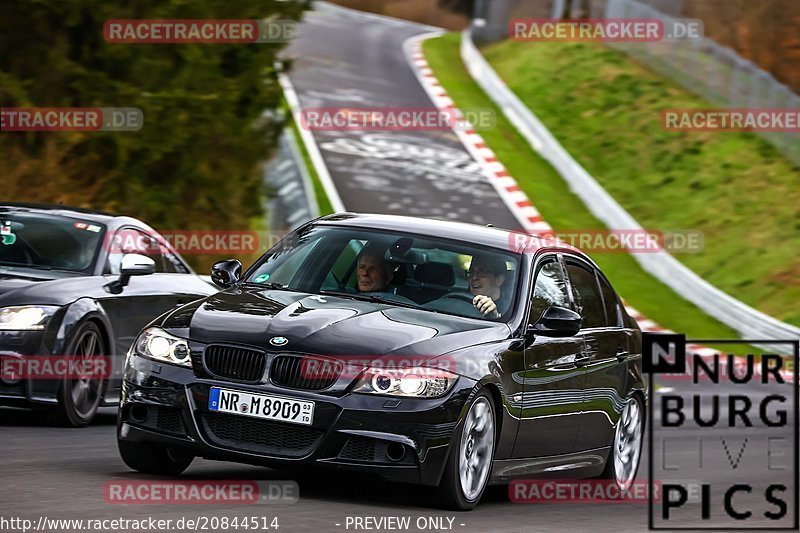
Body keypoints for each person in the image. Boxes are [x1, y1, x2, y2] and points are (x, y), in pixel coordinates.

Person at [467, 253, 509, 319]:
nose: (474, 278)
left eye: (482, 272)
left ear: (499, 280)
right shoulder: (459, 300)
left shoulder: (508, 311)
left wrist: (495, 316)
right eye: (471, 272)